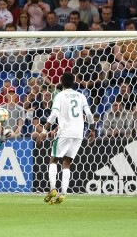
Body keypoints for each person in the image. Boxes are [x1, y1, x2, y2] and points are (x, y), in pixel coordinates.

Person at [44, 72, 95, 205]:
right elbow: (89, 114)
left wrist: (45, 129)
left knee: (54, 159)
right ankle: (64, 193)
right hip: (78, 133)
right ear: (74, 83)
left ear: (61, 82)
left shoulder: (60, 95)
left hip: (65, 131)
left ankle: (53, 189)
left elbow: (54, 113)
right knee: (67, 162)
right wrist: (93, 130)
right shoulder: (81, 96)